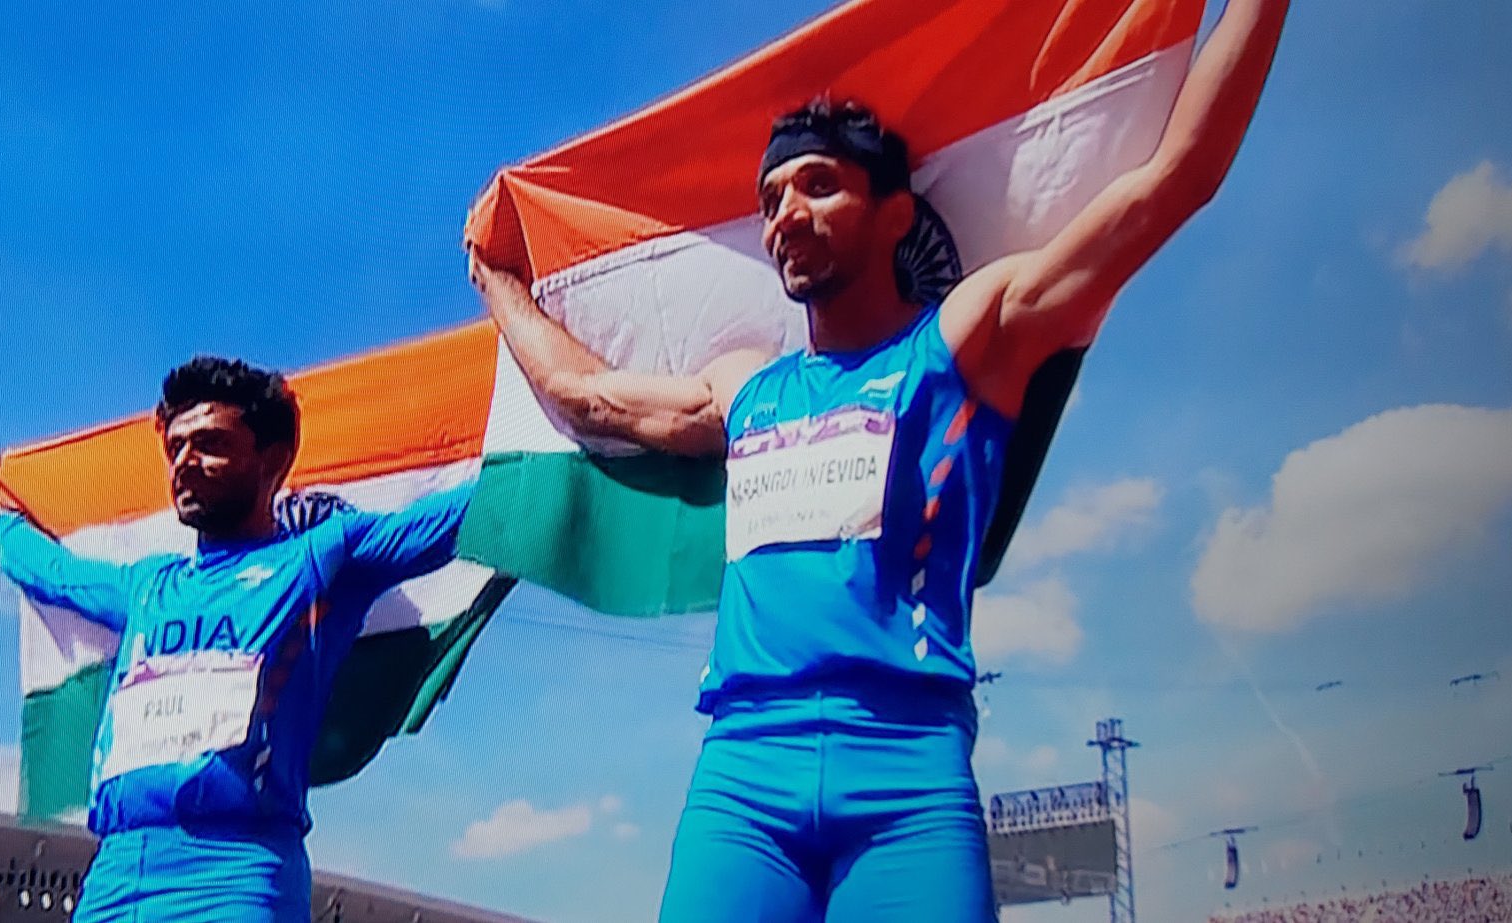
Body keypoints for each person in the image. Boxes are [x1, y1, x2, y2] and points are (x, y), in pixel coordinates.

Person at [466, 2, 1289, 919]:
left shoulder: (969, 341)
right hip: (743, 776)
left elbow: (1174, 180)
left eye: (817, 186)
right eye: (771, 199)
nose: (785, 214)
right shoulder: (747, 390)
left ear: (896, 210)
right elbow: (591, 399)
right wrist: (497, 277)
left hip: (908, 772)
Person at [0, 356, 472, 923]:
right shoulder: (148, 585)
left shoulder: (316, 559)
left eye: (208, 443)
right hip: (115, 876)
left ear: (272, 459)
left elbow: (462, 514)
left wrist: (567, 426)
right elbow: (54, 575)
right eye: (175, 447)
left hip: (235, 875)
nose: (184, 462)